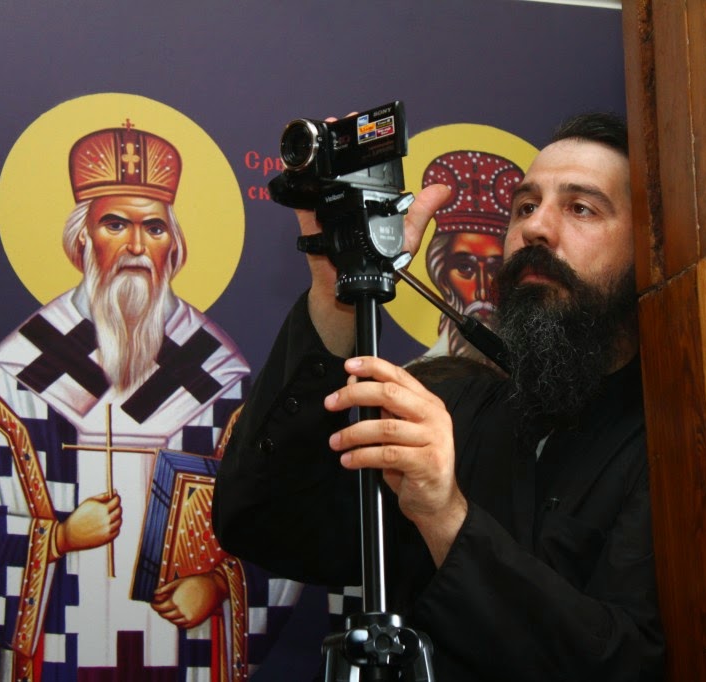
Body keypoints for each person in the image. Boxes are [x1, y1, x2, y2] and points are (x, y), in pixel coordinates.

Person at [212, 112, 665, 680]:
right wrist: (336, 291)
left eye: (581, 208)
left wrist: (445, 517)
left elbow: (626, 663)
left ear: (649, 246)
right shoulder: (447, 405)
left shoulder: (670, 444)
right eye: (526, 206)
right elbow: (261, 521)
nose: (536, 229)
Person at [0, 123, 300, 681]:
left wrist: (218, 584)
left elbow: (281, 524)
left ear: (174, 247)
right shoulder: (23, 372)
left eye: (154, 227)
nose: (136, 247)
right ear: (82, 239)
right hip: (61, 649)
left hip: (187, 652)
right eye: (116, 224)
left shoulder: (218, 376)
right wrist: (59, 538)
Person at [417, 150, 523, 369]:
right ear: (442, 276)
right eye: (465, 268)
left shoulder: (543, 382)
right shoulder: (413, 377)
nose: (482, 292)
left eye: (495, 269)